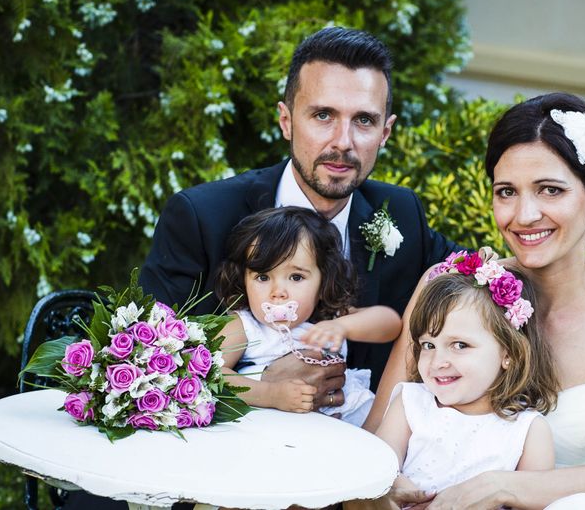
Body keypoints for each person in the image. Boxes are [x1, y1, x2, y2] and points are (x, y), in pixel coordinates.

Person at [368, 93, 585, 509]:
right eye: (506, 191)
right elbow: (376, 434)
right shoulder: (448, 285)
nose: (524, 215)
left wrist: (499, 487)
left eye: (550, 190)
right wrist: (382, 491)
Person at [139, 27, 460, 408]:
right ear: (286, 121)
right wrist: (263, 385)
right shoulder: (201, 217)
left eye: (364, 121)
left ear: (385, 132)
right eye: (323, 115)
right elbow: (149, 364)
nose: (343, 141)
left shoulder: (401, 213)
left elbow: (475, 273)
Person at [372, 251, 558, 504]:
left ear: (509, 353)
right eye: (428, 345)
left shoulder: (528, 432)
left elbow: (536, 502)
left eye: (459, 345)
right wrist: (393, 483)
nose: (438, 362)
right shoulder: (410, 404)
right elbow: (377, 464)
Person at [214, 206, 401, 426]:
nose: (278, 292)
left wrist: (344, 326)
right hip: (275, 424)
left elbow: (391, 324)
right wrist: (270, 394)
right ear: (243, 281)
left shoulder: (327, 318)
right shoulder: (244, 325)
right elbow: (213, 374)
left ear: (324, 281)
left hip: (346, 416)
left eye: (295, 277)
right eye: (263, 277)